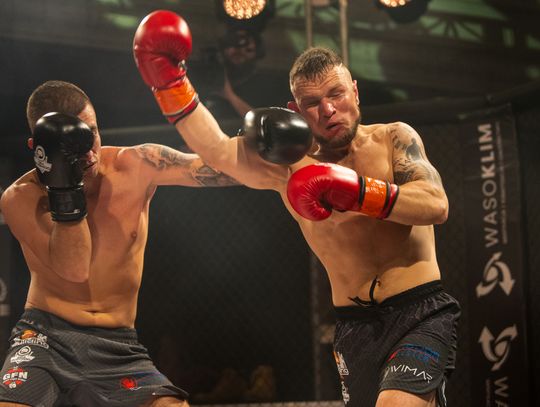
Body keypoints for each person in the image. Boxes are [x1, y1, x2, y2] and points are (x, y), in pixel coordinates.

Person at [133, 10, 460, 407]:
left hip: (418, 312)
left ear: (355, 92)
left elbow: (435, 204)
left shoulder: (395, 138)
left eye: (337, 94)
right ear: (297, 110)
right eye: (313, 103)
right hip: (354, 325)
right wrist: (170, 82)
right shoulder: (288, 167)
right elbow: (217, 149)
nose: (328, 110)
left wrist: (357, 192)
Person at [0, 80, 240, 407]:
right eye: (72, 145)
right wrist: (65, 187)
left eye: (91, 134)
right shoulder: (21, 198)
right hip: (45, 338)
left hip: (118, 347)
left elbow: (221, 171)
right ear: (40, 148)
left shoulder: (136, 164)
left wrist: (274, 148)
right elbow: (74, 268)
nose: (88, 153)